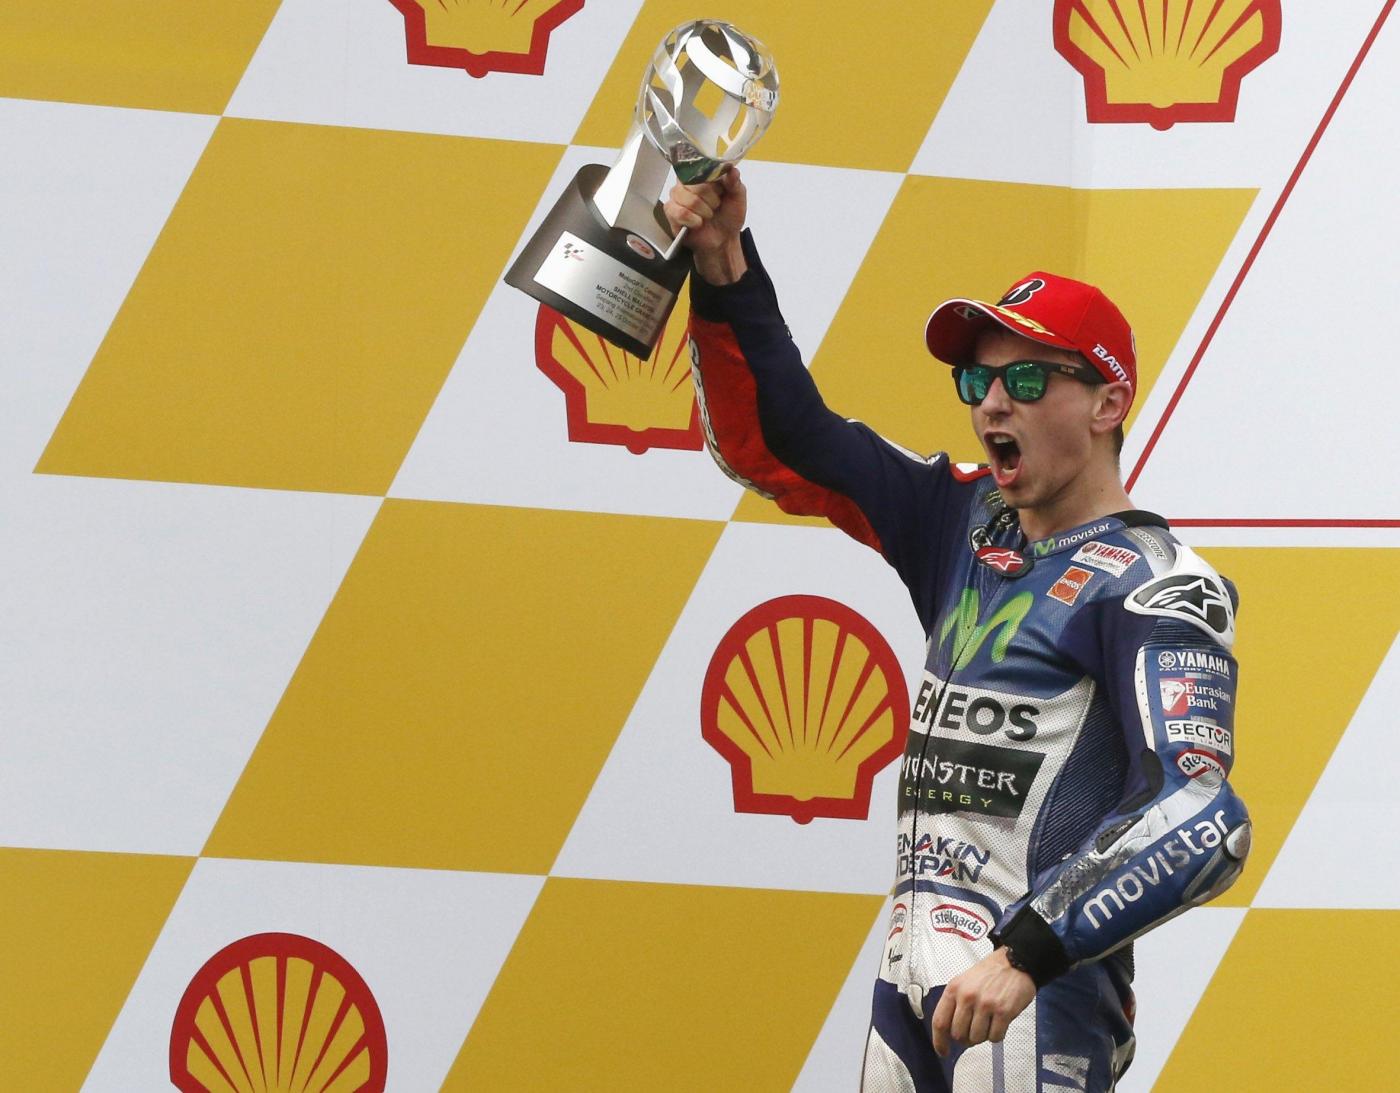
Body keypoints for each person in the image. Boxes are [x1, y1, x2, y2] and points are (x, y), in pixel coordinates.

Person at [666, 169, 1251, 1092]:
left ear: (1107, 404)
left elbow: (1203, 815)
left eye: (1026, 378)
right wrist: (723, 263)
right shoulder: (962, 518)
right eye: (978, 378)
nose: (990, 404)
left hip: (1035, 1002)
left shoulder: (1156, 584)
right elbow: (782, 441)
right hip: (908, 996)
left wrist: (1025, 953)